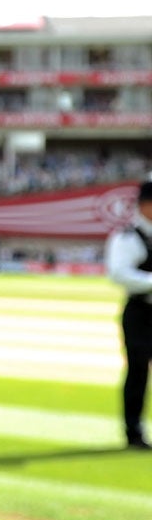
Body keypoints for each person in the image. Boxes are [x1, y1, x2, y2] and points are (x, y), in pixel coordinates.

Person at [101, 178, 152, 449]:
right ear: (144, 205)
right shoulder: (128, 236)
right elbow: (118, 272)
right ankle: (134, 432)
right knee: (138, 372)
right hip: (141, 311)